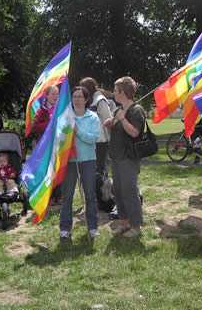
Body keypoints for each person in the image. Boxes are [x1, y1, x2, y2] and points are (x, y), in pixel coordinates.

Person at [104, 76, 145, 238]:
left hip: (128, 158)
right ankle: (124, 223)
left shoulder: (136, 110)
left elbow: (135, 133)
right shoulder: (117, 110)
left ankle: (136, 226)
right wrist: (110, 125)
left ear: (123, 92)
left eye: (115, 90)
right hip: (116, 156)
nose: (113, 92)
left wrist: (122, 119)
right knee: (118, 190)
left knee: (129, 191)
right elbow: (116, 133)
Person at [60, 86, 100, 239]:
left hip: (88, 160)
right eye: (74, 96)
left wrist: (77, 130)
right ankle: (65, 229)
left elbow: (92, 139)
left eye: (79, 96)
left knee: (90, 195)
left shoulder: (93, 117)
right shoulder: (66, 117)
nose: (76, 99)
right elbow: (60, 139)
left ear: (86, 99)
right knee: (67, 195)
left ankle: (92, 227)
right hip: (69, 161)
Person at [79, 78, 114, 212]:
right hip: (88, 143)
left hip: (100, 143)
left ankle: (106, 200)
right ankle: (94, 201)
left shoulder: (100, 101)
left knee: (100, 173)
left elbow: (108, 120)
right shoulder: (88, 101)